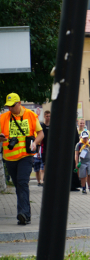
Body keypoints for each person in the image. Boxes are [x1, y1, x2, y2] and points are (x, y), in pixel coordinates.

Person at [0, 93, 44, 225]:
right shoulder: (3, 117)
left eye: (12, 106)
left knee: (22, 183)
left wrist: (35, 142)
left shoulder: (30, 115)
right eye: (8, 106)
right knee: (18, 185)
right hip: (10, 158)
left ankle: (23, 214)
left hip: (26, 156)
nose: (10, 109)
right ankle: (26, 214)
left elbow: (41, 133)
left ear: (19, 103)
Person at [37, 110, 51, 186]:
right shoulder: (42, 126)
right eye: (47, 116)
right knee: (45, 164)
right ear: (44, 116)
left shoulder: (52, 126)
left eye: (49, 116)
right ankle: (44, 179)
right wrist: (38, 151)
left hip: (51, 148)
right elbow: (39, 139)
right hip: (44, 148)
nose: (48, 118)